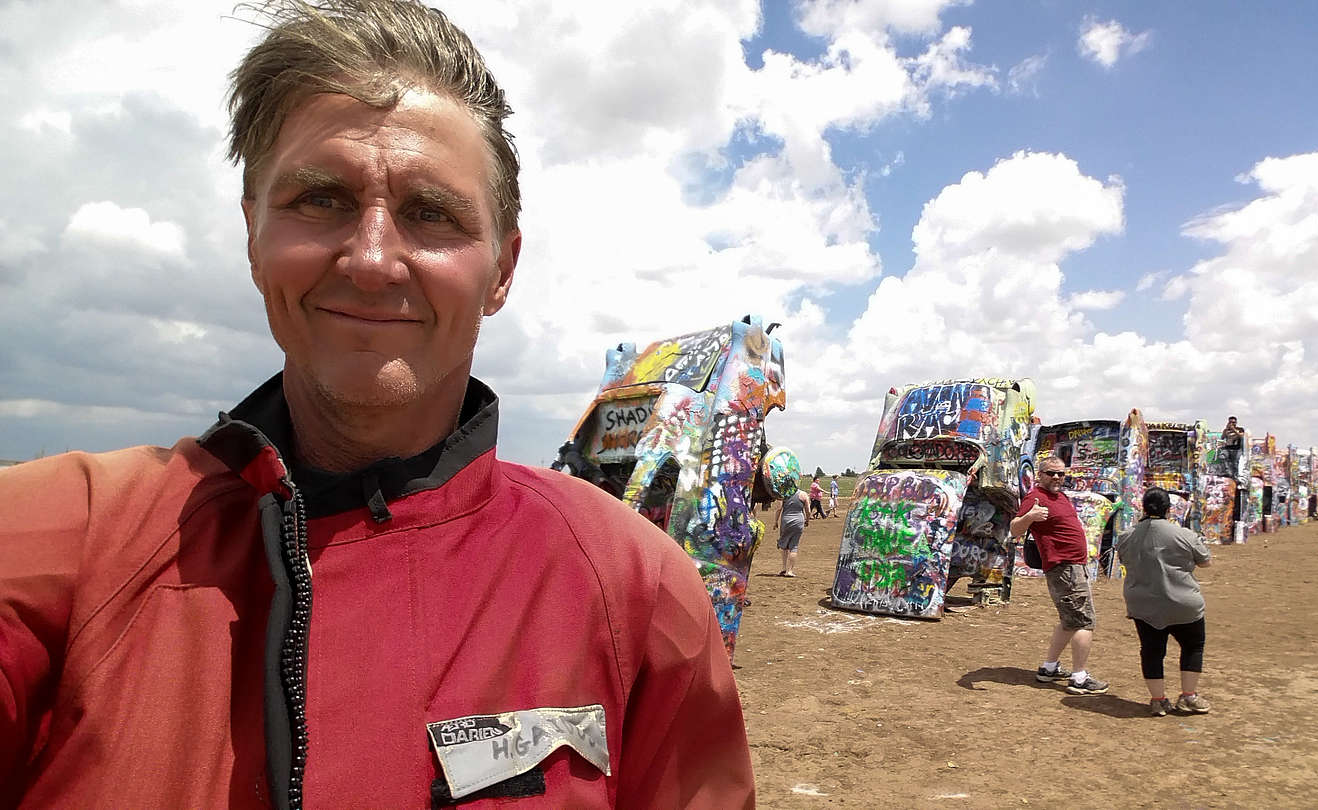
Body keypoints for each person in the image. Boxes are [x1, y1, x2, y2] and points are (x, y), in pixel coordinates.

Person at [0, 2, 755, 807]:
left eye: (432, 214)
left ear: (502, 269)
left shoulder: (631, 588)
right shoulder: (70, 542)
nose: (370, 260)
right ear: (253, 233)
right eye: (320, 198)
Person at [1011, 456, 1109, 695]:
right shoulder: (1035, 498)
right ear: (1040, 475)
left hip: (1072, 567)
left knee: (1069, 621)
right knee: (1083, 622)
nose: (1056, 478)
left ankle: (1049, 668)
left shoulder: (1059, 496)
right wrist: (1029, 518)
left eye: (1060, 474)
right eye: (1050, 473)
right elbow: (1014, 528)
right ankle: (1079, 678)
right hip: (1065, 568)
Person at [1116, 488, 1214, 716]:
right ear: (1169, 509)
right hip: (1183, 603)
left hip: (1143, 603)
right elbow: (1205, 562)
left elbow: (1124, 558)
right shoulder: (1184, 534)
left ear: (1143, 507)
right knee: (1192, 646)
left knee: (1151, 651)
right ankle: (1189, 696)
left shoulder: (1127, 535)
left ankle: (1158, 700)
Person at [773, 484, 810, 576]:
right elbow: (808, 510)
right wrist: (807, 520)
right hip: (798, 521)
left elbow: (779, 509)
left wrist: (775, 521)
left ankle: (783, 568)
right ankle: (789, 571)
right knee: (794, 546)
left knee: (784, 545)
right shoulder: (803, 494)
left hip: (786, 521)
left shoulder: (783, 494)